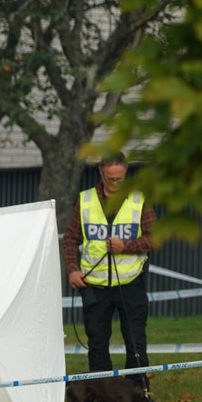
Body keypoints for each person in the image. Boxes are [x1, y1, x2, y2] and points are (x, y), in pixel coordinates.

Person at [61, 152, 156, 385]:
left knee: (135, 343)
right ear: (101, 173)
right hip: (95, 286)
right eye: (110, 179)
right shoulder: (85, 200)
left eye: (120, 179)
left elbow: (155, 239)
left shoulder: (138, 200)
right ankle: (104, 394)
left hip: (130, 284)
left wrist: (127, 246)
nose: (114, 184)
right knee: (97, 343)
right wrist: (72, 269)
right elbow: (71, 239)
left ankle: (137, 393)